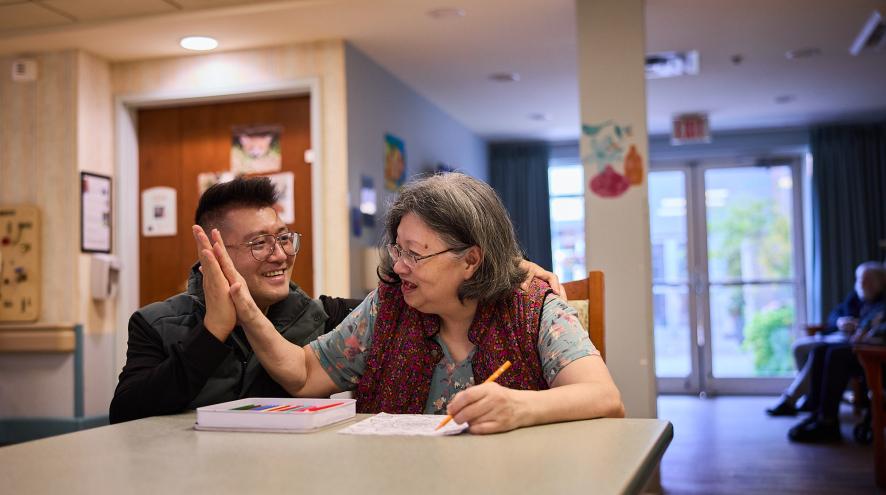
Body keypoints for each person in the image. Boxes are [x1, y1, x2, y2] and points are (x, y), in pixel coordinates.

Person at [196, 173, 624, 434]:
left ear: (471, 259)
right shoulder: (390, 307)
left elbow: (603, 398)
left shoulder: (531, 310)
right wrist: (245, 307)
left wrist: (519, 406)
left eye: (415, 254)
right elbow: (305, 374)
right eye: (397, 250)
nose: (399, 267)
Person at [110, 177, 562, 424]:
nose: (281, 254)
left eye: (284, 238)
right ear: (212, 253)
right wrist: (215, 330)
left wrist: (507, 265)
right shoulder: (157, 323)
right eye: (260, 243)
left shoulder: (327, 315)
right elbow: (126, 415)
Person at [767, 261, 886, 416]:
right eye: (860, 279)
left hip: (856, 343)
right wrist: (840, 322)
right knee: (799, 347)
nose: (862, 283)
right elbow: (834, 315)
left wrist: (861, 329)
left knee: (822, 352)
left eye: (867, 280)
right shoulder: (856, 296)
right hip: (839, 335)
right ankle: (810, 395)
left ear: (879, 282)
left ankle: (792, 399)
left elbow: (875, 327)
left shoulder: (881, 301)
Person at [788, 281, 886, 443]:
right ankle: (819, 414)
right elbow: (859, 318)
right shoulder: (875, 300)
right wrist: (859, 328)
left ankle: (828, 422)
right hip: (869, 345)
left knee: (837, 354)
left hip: (878, 353)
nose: (863, 286)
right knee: (820, 350)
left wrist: (871, 333)